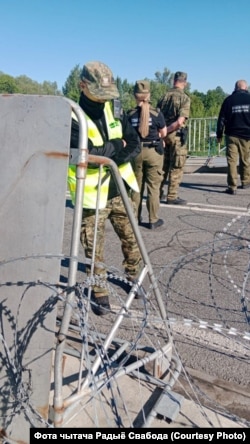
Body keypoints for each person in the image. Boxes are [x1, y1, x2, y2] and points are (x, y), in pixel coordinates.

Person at [68, 61, 143, 316]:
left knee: (132, 239)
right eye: (99, 94)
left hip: (119, 190)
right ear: (83, 85)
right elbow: (85, 155)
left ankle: (134, 277)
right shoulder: (71, 117)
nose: (103, 101)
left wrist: (112, 154)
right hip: (92, 198)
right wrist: (115, 147)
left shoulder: (114, 110)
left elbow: (134, 143)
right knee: (94, 249)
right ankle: (98, 291)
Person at [127, 80, 167, 229]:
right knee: (153, 187)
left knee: (136, 187)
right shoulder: (156, 113)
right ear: (148, 95)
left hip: (136, 152)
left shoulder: (130, 114)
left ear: (135, 96)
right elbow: (163, 133)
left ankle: (134, 219)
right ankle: (153, 220)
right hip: (153, 152)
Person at [157, 71, 191, 205]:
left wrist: (162, 133)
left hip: (163, 136)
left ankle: (157, 194)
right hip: (176, 136)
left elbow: (157, 117)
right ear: (185, 82)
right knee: (176, 166)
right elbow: (179, 122)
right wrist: (169, 131)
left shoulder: (163, 96)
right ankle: (172, 196)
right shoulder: (185, 98)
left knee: (162, 167)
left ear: (174, 80)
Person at [216, 79, 250, 195]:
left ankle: (232, 186)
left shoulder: (228, 100)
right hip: (247, 136)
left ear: (235, 88)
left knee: (232, 161)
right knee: (245, 160)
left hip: (231, 135)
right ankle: (245, 182)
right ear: (246, 88)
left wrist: (219, 134)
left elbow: (221, 119)